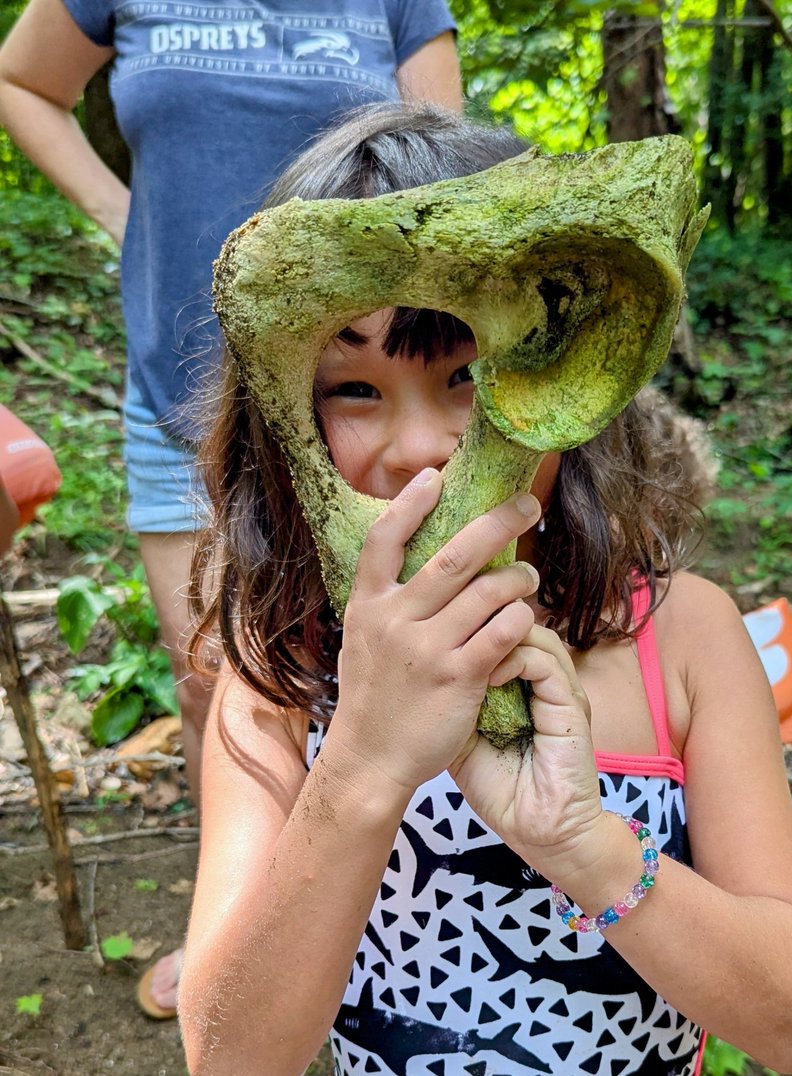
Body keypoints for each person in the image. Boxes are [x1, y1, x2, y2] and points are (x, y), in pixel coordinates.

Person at [178, 104, 792, 1076]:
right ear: (284, 415)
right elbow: (236, 1071)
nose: (420, 448)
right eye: (354, 389)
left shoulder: (684, 640)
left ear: (570, 376)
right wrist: (364, 763)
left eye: (464, 375)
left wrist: (586, 845)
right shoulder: (283, 679)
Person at [0, 0, 461, 1016]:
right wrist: (125, 216)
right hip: (182, 389)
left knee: (385, 668)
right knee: (219, 678)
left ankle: (386, 939)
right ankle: (240, 930)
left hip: (364, 404)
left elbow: (449, 178)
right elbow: (21, 80)